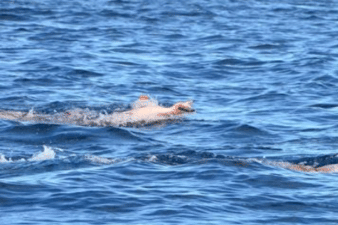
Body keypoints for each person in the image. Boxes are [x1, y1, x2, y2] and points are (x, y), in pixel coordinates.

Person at [0, 95, 194, 126]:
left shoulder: (152, 107)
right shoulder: (160, 112)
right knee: (41, 119)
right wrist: (175, 110)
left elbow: (140, 99)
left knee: (39, 117)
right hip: (102, 121)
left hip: (105, 117)